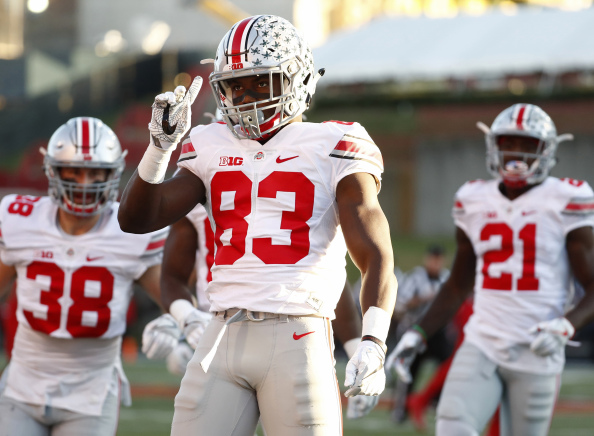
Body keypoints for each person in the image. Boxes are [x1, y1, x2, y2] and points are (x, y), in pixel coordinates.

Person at [118, 14, 398, 435]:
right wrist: (160, 149)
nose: (245, 96)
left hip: (297, 335)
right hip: (220, 334)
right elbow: (136, 218)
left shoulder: (334, 143)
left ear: (298, 79)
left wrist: (373, 341)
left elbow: (375, 254)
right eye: (234, 85)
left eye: (259, 82)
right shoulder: (209, 144)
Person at [0, 117, 167, 435]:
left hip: (91, 394)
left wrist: (181, 323)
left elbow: (170, 294)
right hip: (23, 386)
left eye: (94, 173)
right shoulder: (23, 221)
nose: (84, 183)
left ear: (113, 174)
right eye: (73, 171)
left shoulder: (129, 230)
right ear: (53, 171)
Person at [386, 103, 594, 436]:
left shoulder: (566, 198)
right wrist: (417, 332)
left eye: (528, 144)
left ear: (547, 150)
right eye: (508, 142)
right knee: (452, 426)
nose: (516, 152)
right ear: (493, 145)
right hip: (482, 340)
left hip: (537, 348)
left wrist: (566, 326)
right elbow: (457, 284)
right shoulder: (473, 199)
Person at [142, 204, 380, 419]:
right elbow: (172, 276)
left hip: (293, 329)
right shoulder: (200, 166)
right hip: (216, 331)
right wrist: (186, 319)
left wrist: (357, 352)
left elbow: (328, 274)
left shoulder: (316, 165)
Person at [390, 244, 452, 425]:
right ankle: (400, 409)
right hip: (415, 331)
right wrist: (423, 299)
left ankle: (436, 402)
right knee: (408, 371)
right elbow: (400, 305)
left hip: (437, 332)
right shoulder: (416, 278)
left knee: (448, 367)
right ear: (427, 259)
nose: (435, 263)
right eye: (433, 258)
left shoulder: (446, 278)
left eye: (439, 259)